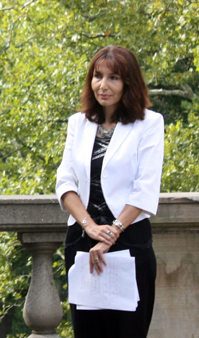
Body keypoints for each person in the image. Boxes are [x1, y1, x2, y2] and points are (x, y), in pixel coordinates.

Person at [56, 46, 164, 337]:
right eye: (97, 76)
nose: (103, 85)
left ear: (129, 83)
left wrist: (111, 233)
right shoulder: (77, 123)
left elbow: (145, 188)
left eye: (113, 77)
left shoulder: (150, 123)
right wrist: (90, 227)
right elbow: (65, 182)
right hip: (82, 242)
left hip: (129, 242)